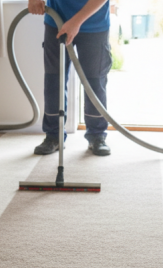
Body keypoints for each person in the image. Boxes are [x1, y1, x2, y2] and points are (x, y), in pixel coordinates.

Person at [28, 0, 112, 156]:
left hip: (94, 23)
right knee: (54, 81)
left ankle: (97, 136)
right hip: (56, 22)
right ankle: (53, 136)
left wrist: (76, 21)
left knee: (94, 82)